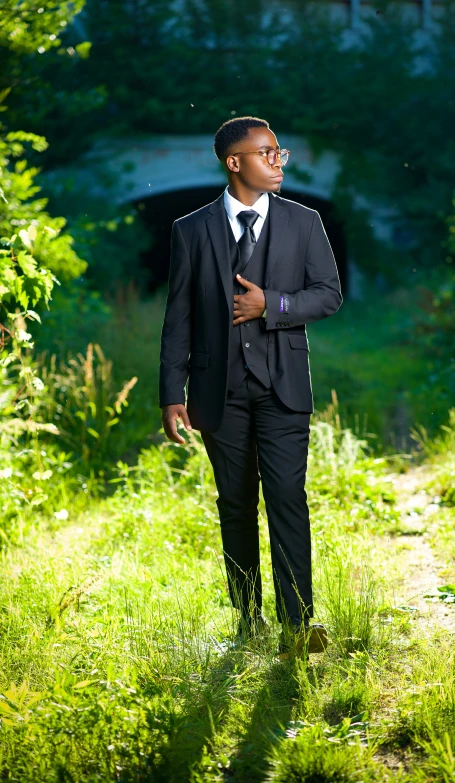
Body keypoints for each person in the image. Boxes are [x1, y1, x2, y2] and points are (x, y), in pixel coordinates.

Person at [159, 116, 342, 658]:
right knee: (235, 504)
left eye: (280, 153)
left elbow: (328, 295)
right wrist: (172, 392)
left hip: (284, 386)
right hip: (218, 392)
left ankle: (298, 626)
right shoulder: (191, 230)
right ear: (234, 162)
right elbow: (179, 317)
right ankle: (248, 621)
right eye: (267, 154)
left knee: (287, 497)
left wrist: (274, 305)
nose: (278, 162)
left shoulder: (305, 222)